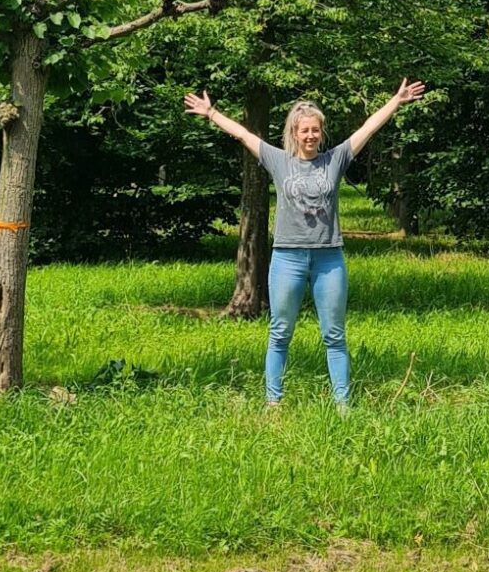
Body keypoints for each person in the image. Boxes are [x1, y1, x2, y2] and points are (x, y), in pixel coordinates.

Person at [183, 80, 426, 406]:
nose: (310, 136)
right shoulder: (278, 160)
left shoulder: (335, 160)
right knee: (280, 333)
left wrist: (396, 101)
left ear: (321, 133)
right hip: (287, 258)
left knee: (335, 336)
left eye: (315, 130)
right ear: (294, 133)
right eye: (304, 131)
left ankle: (343, 406)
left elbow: (368, 128)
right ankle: (273, 403)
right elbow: (243, 135)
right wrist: (211, 113)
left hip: (329, 260)